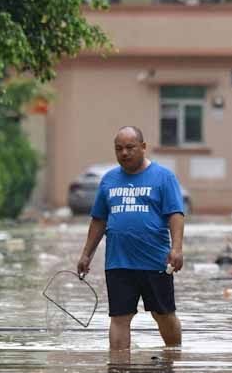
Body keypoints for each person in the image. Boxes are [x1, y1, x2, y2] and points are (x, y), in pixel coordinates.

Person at [76, 126, 185, 353]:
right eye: (119, 149)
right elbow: (99, 220)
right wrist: (87, 254)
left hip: (155, 261)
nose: (124, 153)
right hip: (118, 262)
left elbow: (175, 214)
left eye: (130, 148)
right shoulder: (108, 180)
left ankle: (174, 356)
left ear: (143, 148)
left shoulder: (163, 177)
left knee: (163, 314)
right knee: (119, 317)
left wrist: (176, 248)